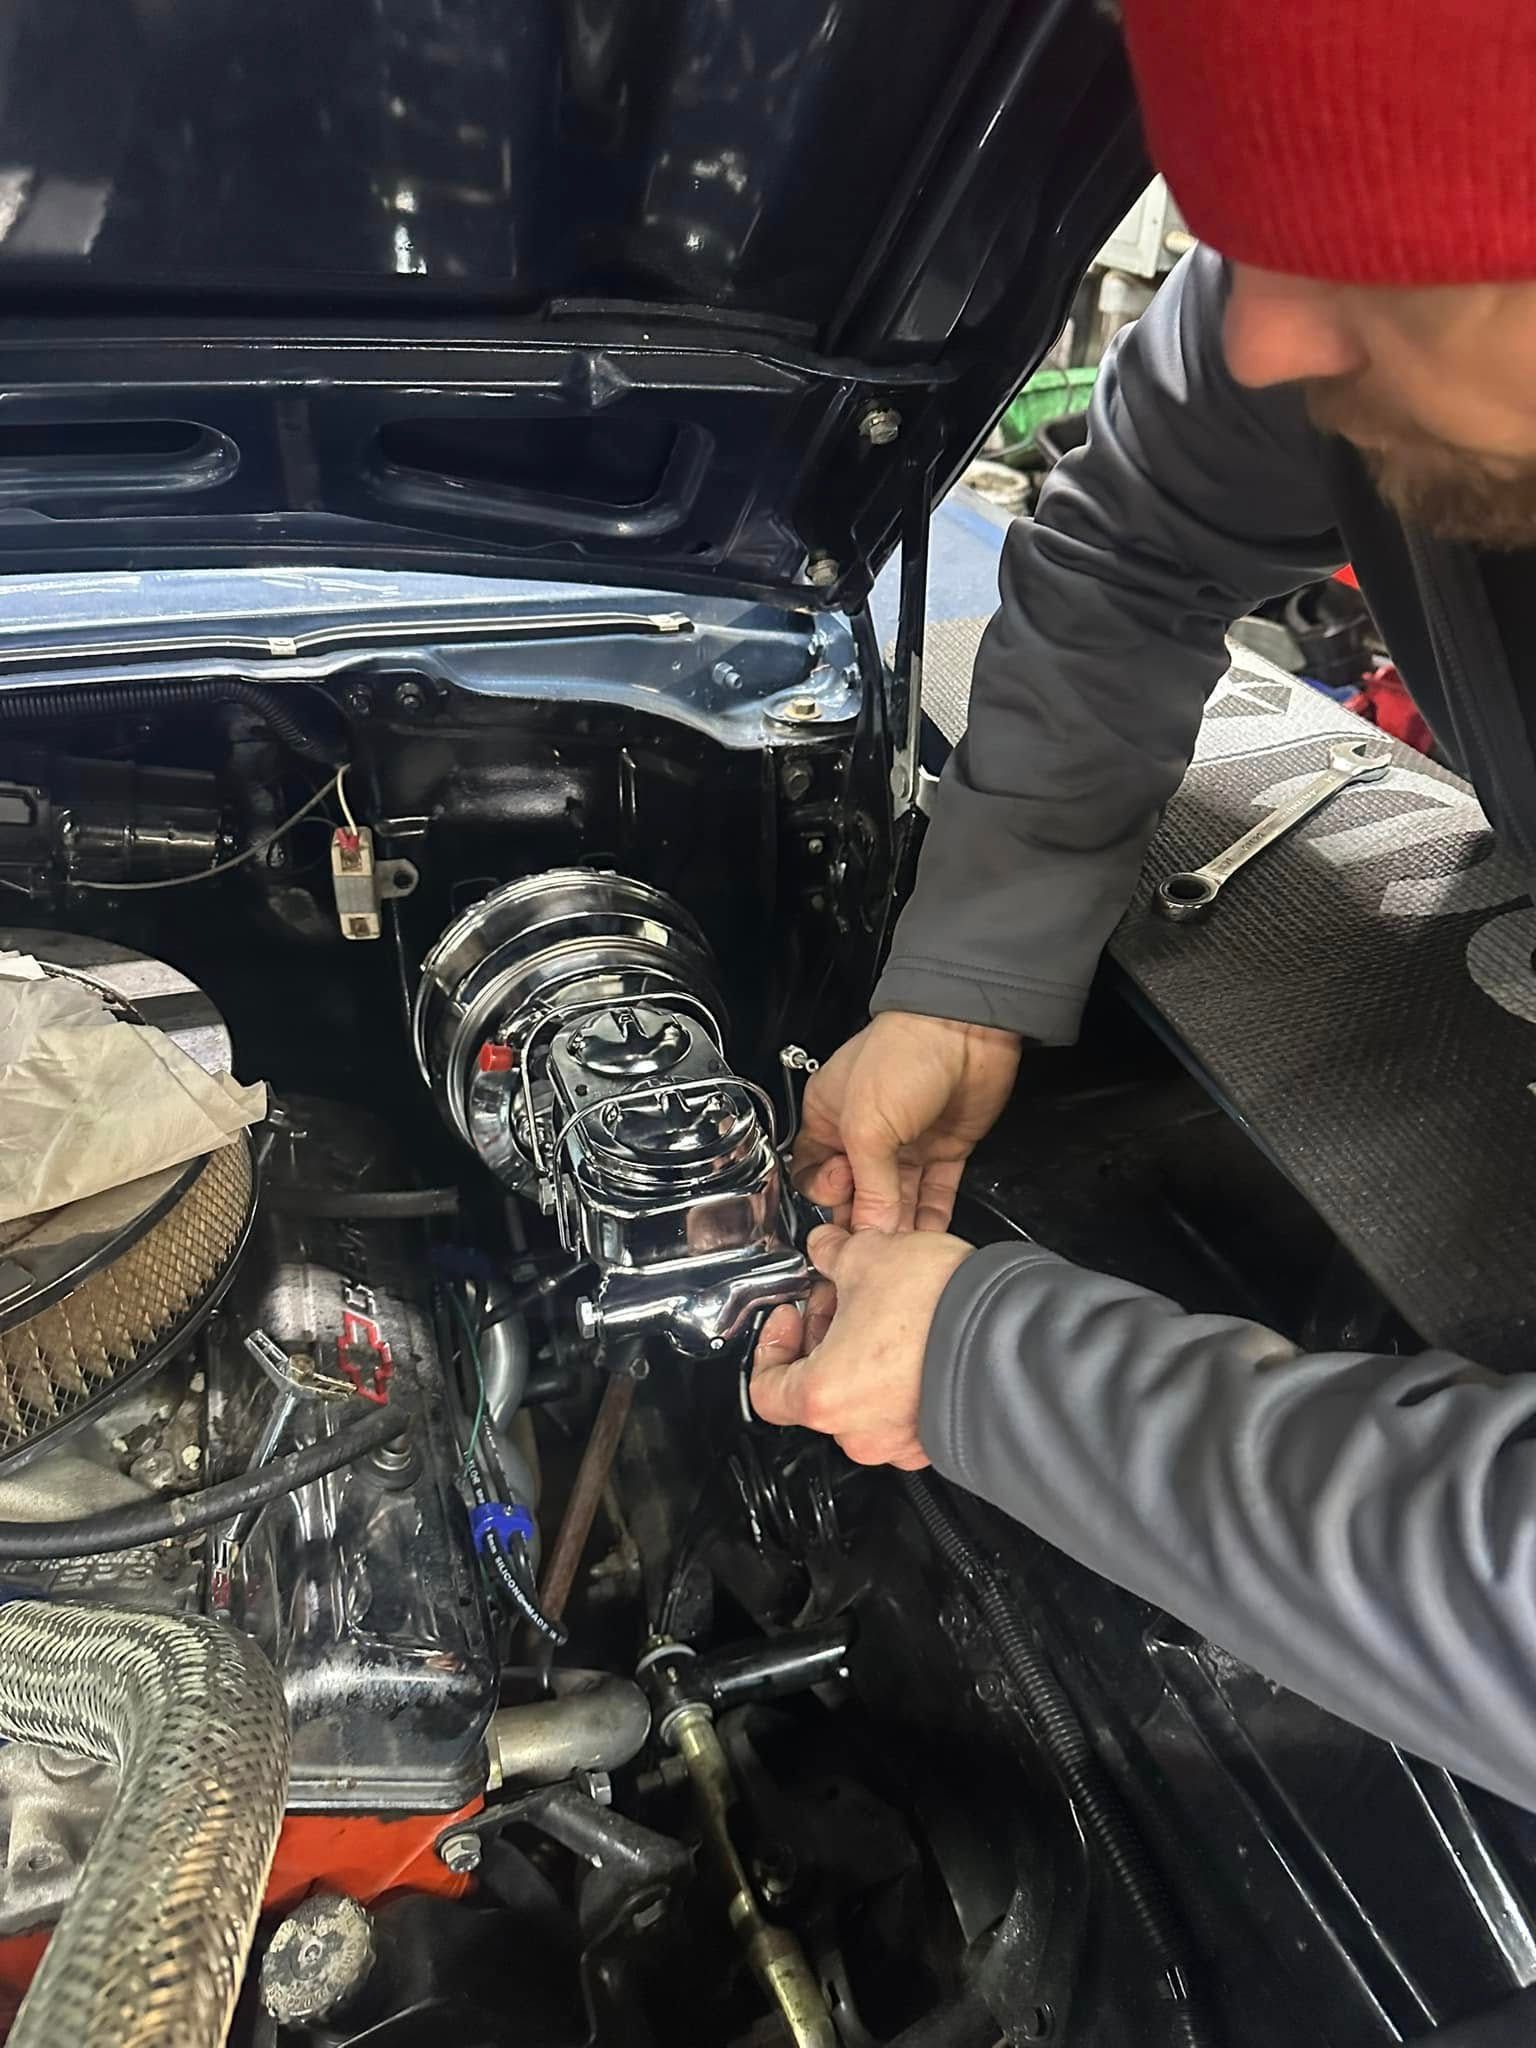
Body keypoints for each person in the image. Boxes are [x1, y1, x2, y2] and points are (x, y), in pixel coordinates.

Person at [750, 0, 1536, 1812]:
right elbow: (1132, 538)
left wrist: (992, 1368)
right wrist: (968, 980)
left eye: (1359, 263)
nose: (1257, 327)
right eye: (1235, 226)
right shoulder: (1337, 292)